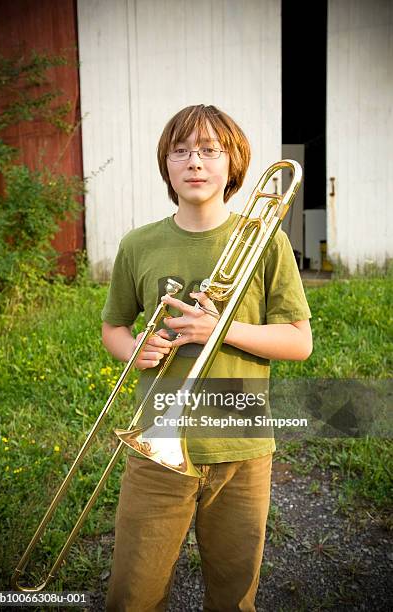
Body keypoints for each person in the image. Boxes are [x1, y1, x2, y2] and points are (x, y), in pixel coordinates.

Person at [101, 104, 312, 612]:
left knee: (234, 596)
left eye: (209, 150)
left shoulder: (268, 241)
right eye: (181, 151)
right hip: (155, 449)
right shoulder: (139, 244)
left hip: (241, 446)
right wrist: (134, 349)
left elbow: (299, 341)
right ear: (166, 166)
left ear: (232, 165)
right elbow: (113, 327)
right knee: (133, 592)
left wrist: (220, 328)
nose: (195, 162)